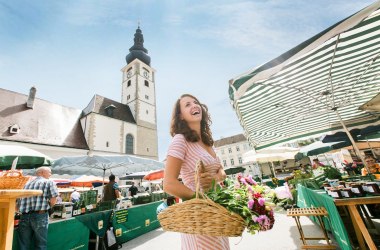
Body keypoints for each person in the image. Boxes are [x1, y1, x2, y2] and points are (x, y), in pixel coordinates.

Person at [163, 94, 228, 249]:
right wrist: (200, 200)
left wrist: (217, 178)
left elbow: (221, 170)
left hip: (216, 213)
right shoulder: (180, 140)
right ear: (181, 116)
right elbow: (169, 184)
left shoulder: (207, 142)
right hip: (199, 216)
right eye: (187, 105)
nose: (194, 105)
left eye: (196, 102)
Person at [17, 166, 59, 250]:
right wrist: (49, 207)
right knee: (40, 245)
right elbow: (53, 199)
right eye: (49, 172)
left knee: (23, 244)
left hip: (24, 216)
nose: (51, 174)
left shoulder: (26, 184)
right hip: (40, 215)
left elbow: (18, 204)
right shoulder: (49, 182)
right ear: (42, 172)